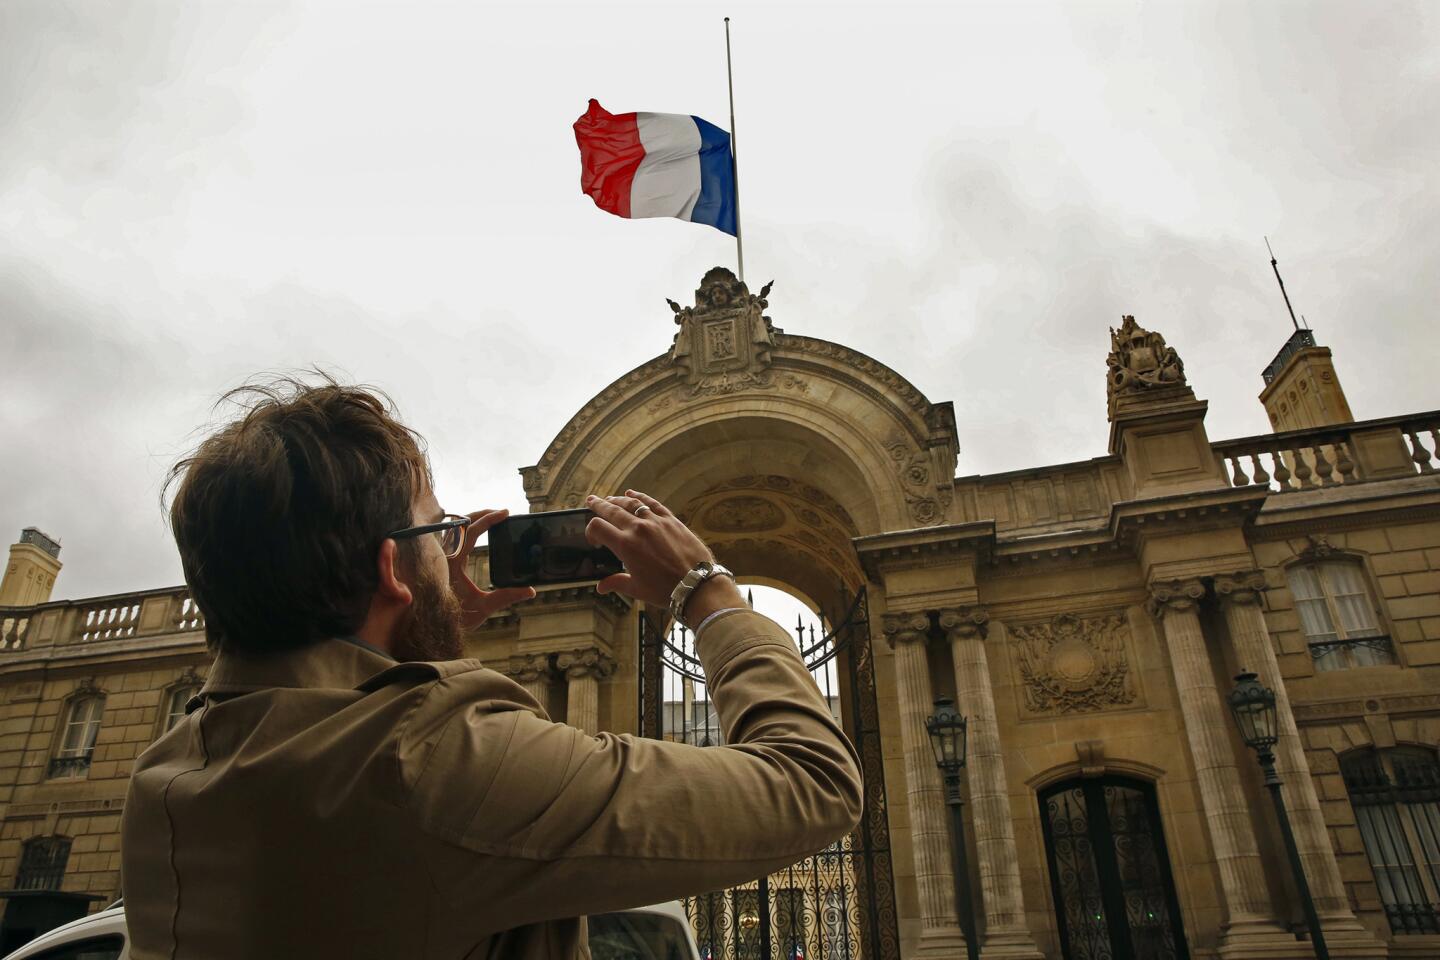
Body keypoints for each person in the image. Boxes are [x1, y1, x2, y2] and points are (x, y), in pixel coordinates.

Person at [120, 376, 864, 959]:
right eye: (436, 531)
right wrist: (707, 592)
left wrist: (421, 626)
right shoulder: (437, 764)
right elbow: (813, 784)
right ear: (390, 567)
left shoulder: (167, 775)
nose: (453, 554)